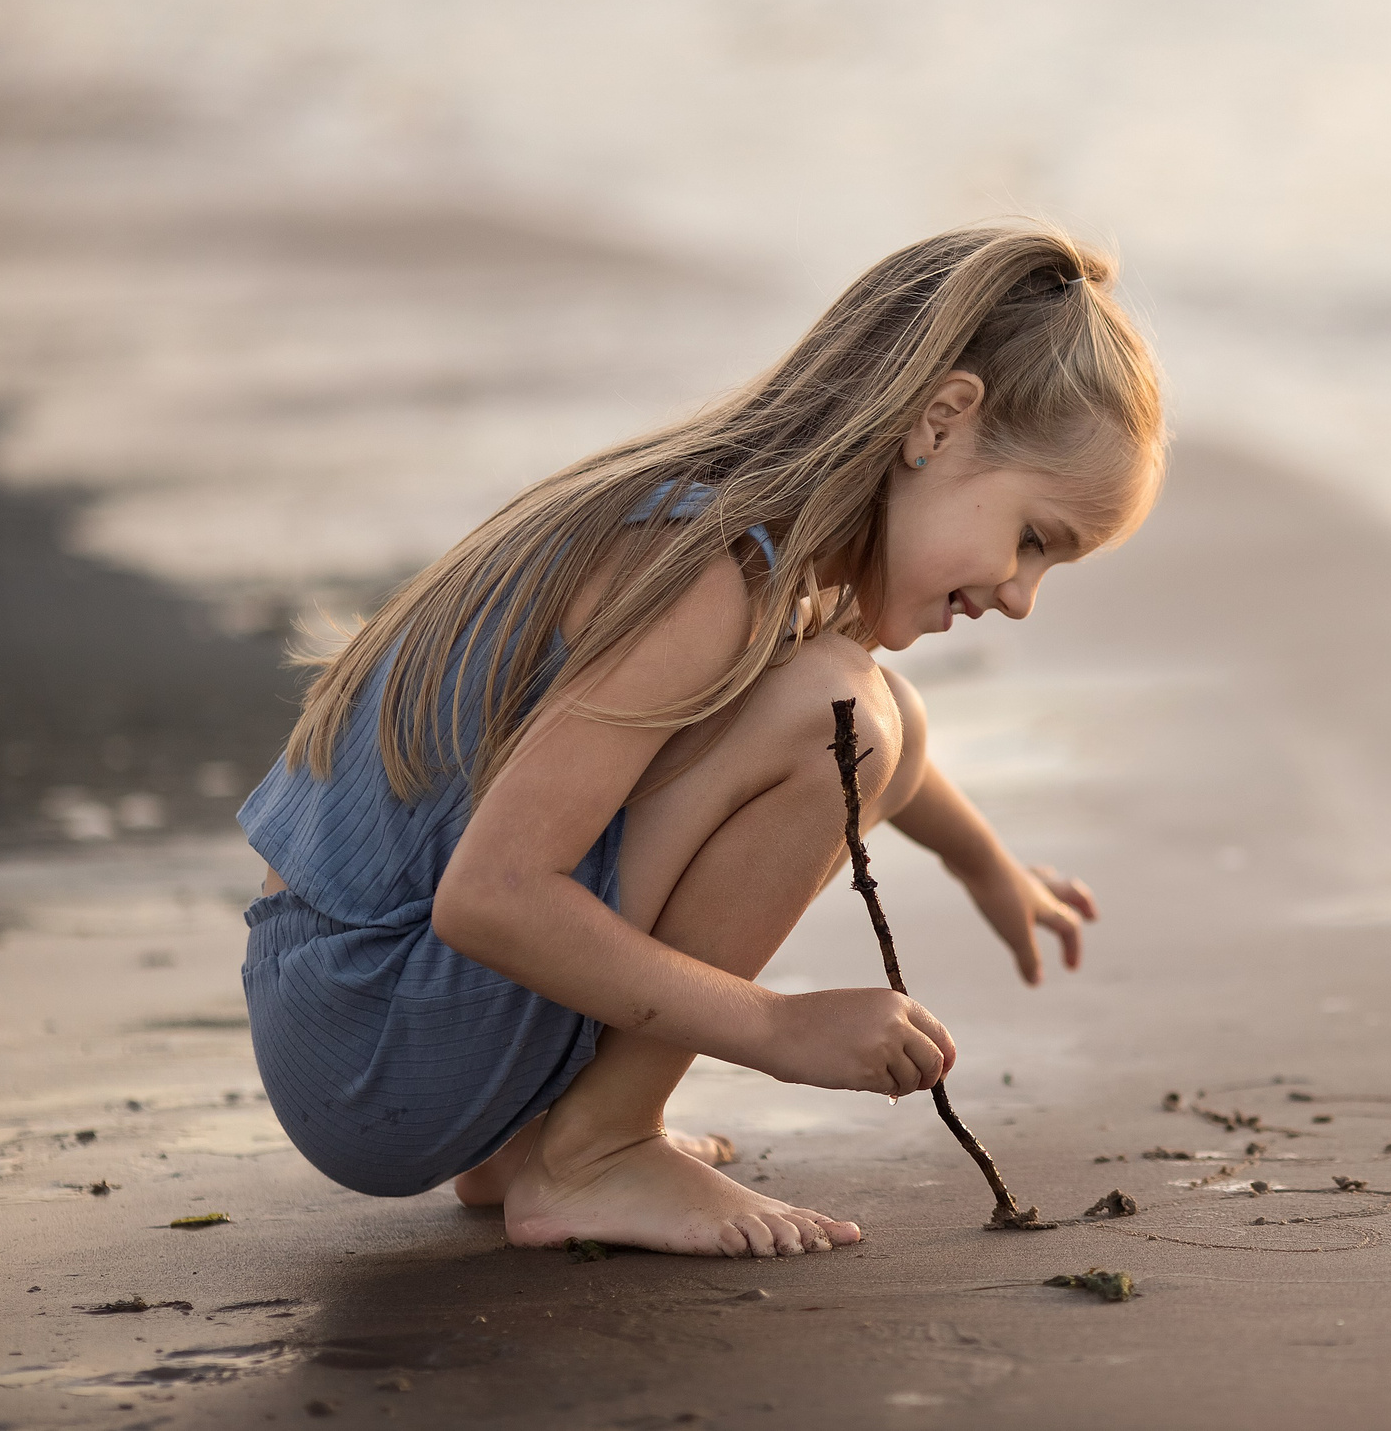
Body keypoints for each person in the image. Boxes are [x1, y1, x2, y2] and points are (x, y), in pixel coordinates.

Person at [237, 223, 1164, 1258]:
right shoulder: (706, 571)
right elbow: (490, 897)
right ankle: (595, 1151)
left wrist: (986, 867)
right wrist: (776, 1029)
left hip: (372, 1019)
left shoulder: (766, 544)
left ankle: (534, 1140)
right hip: (367, 1038)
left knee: (870, 710)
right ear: (940, 422)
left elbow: (893, 738)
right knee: (839, 714)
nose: (1023, 596)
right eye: (1033, 538)